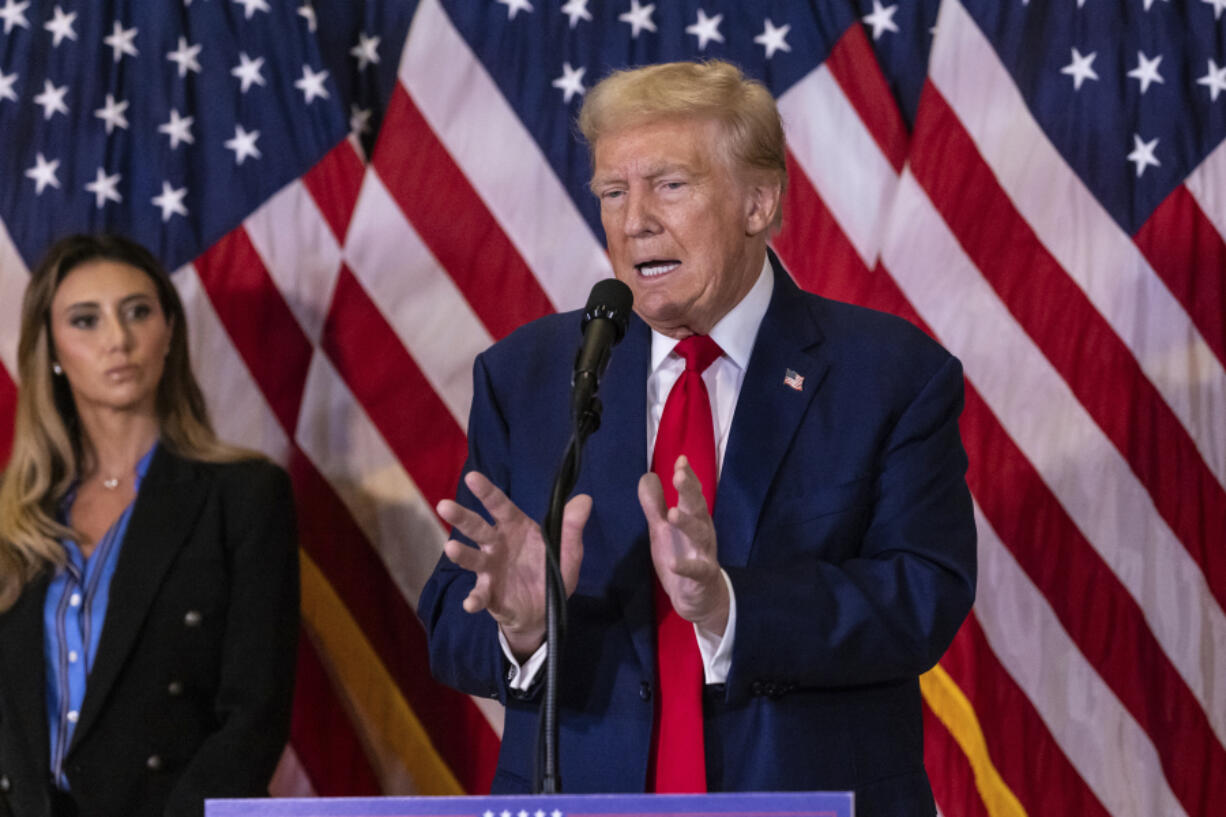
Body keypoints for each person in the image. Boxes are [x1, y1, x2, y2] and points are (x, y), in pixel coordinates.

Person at [418, 60, 976, 815]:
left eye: (670, 185)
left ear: (758, 202)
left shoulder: (889, 373)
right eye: (613, 192)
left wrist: (730, 606)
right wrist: (524, 626)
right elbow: (453, 619)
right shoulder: (530, 376)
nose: (634, 219)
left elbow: (921, 597)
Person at [0, 234, 299, 817]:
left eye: (137, 311)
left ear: (169, 333)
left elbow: (254, 714)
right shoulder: (16, 517)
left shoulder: (243, 495)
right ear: (53, 350)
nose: (119, 339)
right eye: (86, 320)